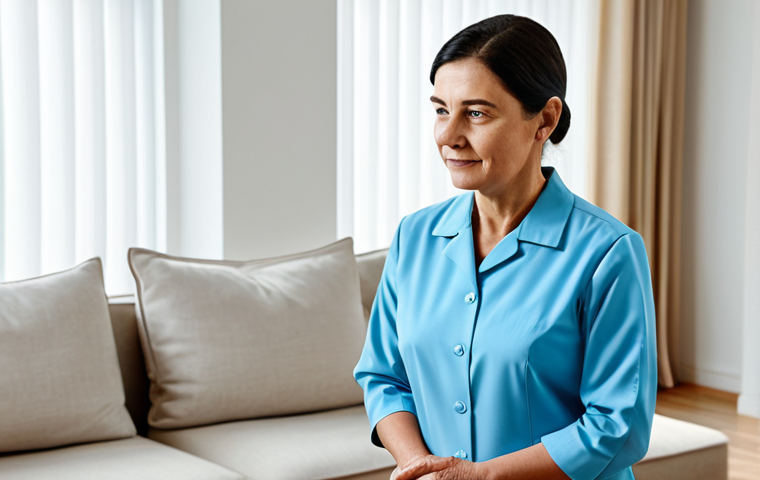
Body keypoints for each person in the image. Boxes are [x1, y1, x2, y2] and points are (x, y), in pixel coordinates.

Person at [352, 14, 657, 480]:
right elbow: (384, 377)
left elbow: (617, 426)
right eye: (440, 109)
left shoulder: (607, 253)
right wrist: (419, 466)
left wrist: (482, 476)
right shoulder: (413, 237)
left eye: (476, 113)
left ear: (545, 120)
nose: (448, 135)